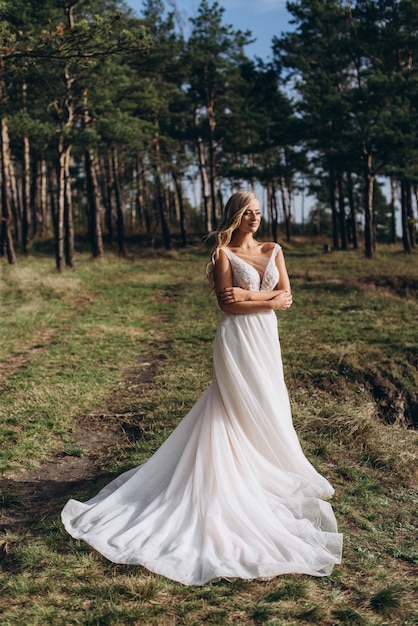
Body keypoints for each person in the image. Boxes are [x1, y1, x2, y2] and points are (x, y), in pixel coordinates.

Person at [61, 190, 342, 586]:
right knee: (233, 405)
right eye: (248, 213)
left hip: (265, 339)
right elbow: (228, 306)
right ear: (235, 215)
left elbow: (286, 298)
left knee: (269, 402)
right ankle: (230, 471)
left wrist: (249, 294)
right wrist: (258, 299)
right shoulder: (223, 255)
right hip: (237, 338)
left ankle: (269, 466)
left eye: (258, 212)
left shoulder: (274, 249)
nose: (255, 219)